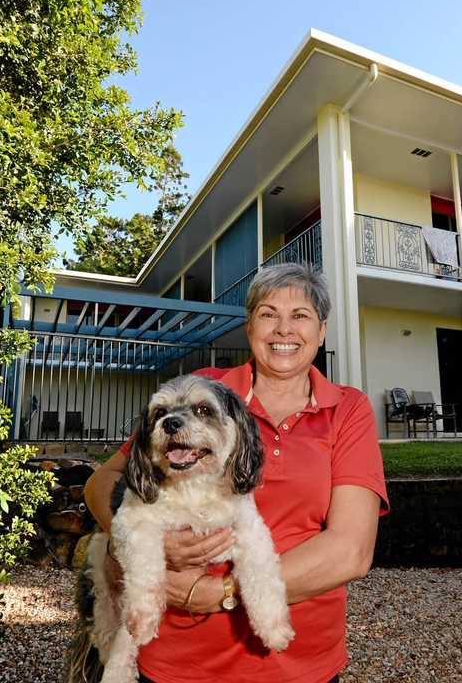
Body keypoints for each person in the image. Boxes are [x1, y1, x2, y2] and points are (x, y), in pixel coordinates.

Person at [85, 262, 389, 683]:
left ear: (321, 331)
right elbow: (102, 482)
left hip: (301, 662)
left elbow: (351, 551)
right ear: (250, 328)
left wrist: (221, 594)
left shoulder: (347, 409)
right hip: (179, 661)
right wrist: (142, 541)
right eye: (268, 314)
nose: (283, 330)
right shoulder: (199, 394)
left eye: (299, 316)